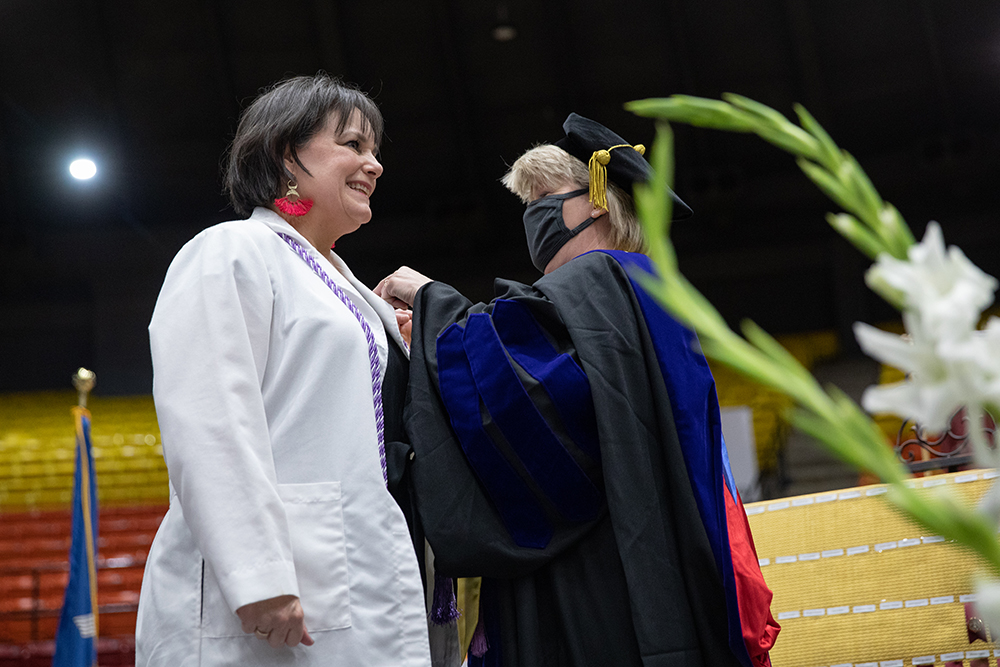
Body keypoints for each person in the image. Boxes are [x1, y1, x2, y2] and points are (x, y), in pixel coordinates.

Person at [377, 113, 780, 667]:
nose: (531, 217)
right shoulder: (647, 289)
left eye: (541, 197)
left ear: (596, 199)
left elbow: (532, 403)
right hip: (658, 556)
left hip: (596, 576)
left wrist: (432, 307)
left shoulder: (595, 279)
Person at [137, 74, 431, 667]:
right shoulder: (230, 250)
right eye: (352, 144)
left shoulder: (353, 290)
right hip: (274, 593)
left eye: (375, 150)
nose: (373, 165)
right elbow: (209, 418)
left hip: (358, 572)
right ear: (282, 155)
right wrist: (257, 576)